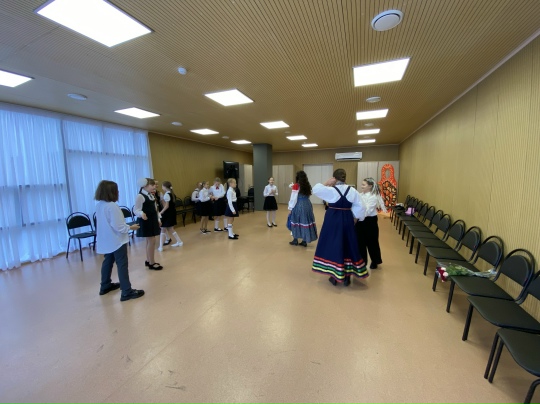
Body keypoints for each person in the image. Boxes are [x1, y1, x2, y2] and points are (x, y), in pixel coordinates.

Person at [311, 169, 368, 286]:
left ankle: (335, 276)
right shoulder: (352, 190)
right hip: (347, 218)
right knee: (348, 244)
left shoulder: (331, 190)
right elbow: (361, 207)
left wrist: (327, 182)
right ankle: (347, 276)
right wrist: (355, 218)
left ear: (334, 178)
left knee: (333, 244)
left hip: (332, 220)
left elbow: (315, 189)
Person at [94, 180, 144, 301]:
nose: (118, 192)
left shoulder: (100, 205)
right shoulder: (112, 206)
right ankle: (126, 291)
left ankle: (105, 285)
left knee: (108, 261)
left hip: (106, 239)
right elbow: (119, 226)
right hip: (116, 240)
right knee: (122, 264)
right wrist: (130, 227)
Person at [356, 177, 387, 269]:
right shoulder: (360, 195)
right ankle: (362, 262)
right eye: (362, 184)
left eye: (363, 185)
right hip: (360, 221)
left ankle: (375, 261)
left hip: (370, 221)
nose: (361, 186)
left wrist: (357, 216)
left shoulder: (373, 197)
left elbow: (367, 210)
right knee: (360, 242)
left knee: (372, 242)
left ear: (370, 186)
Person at [134, 178, 163, 270]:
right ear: (145, 186)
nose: (154, 186)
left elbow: (155, 209)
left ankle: (148, 260)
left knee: (149, 241)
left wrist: (158, 219)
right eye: (152, 185)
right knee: (152, 240)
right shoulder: (140, 196)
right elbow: (136, 210)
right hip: (146, 220)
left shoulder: (150, 195)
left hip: (152, 219)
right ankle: (151, 262)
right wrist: (141, 213)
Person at [288, 170, 317, 246]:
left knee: (296, 221)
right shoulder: (308, 185)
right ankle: (304, 241)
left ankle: (295, 240)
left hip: (299, 204)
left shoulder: (296, 186)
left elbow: (293, 198)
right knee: (305, 221)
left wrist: (290, 208)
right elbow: (310, 193)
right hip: (307, 204)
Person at [157, 181, 183, 251]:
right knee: (170, 228)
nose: (162, 188)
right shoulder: (172, 193)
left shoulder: (166, 195)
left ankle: (161, 247)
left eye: (162, 186)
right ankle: (179, 241)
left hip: (168, 214)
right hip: (171, 213)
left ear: (165, 187)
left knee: (163, 228)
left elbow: (166, 206)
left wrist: (161, 212)